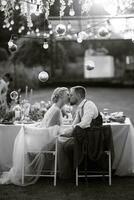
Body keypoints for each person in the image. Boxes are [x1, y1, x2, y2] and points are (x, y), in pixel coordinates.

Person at [0, 87, 69, 186]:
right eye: (67, 94)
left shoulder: (55, 108)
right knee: (65, 142)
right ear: (61, 97)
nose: (69, 96)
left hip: (41, 139)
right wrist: (61, 130)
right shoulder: (56, 111)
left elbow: (48, 126)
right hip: (43, 142)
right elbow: (49, 131)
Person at [59, 86, 102, 178]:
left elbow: (85, 123)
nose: (69, 97)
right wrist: (64, 132)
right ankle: (76, 170)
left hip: (94, 139)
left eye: (71, 95)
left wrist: (72, 130)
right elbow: (75, 123)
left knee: (68, 146)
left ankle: (77, 171)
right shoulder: (80, 107)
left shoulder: (88, 105)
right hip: (87, 137)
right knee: (65, 144)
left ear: (78, 95)